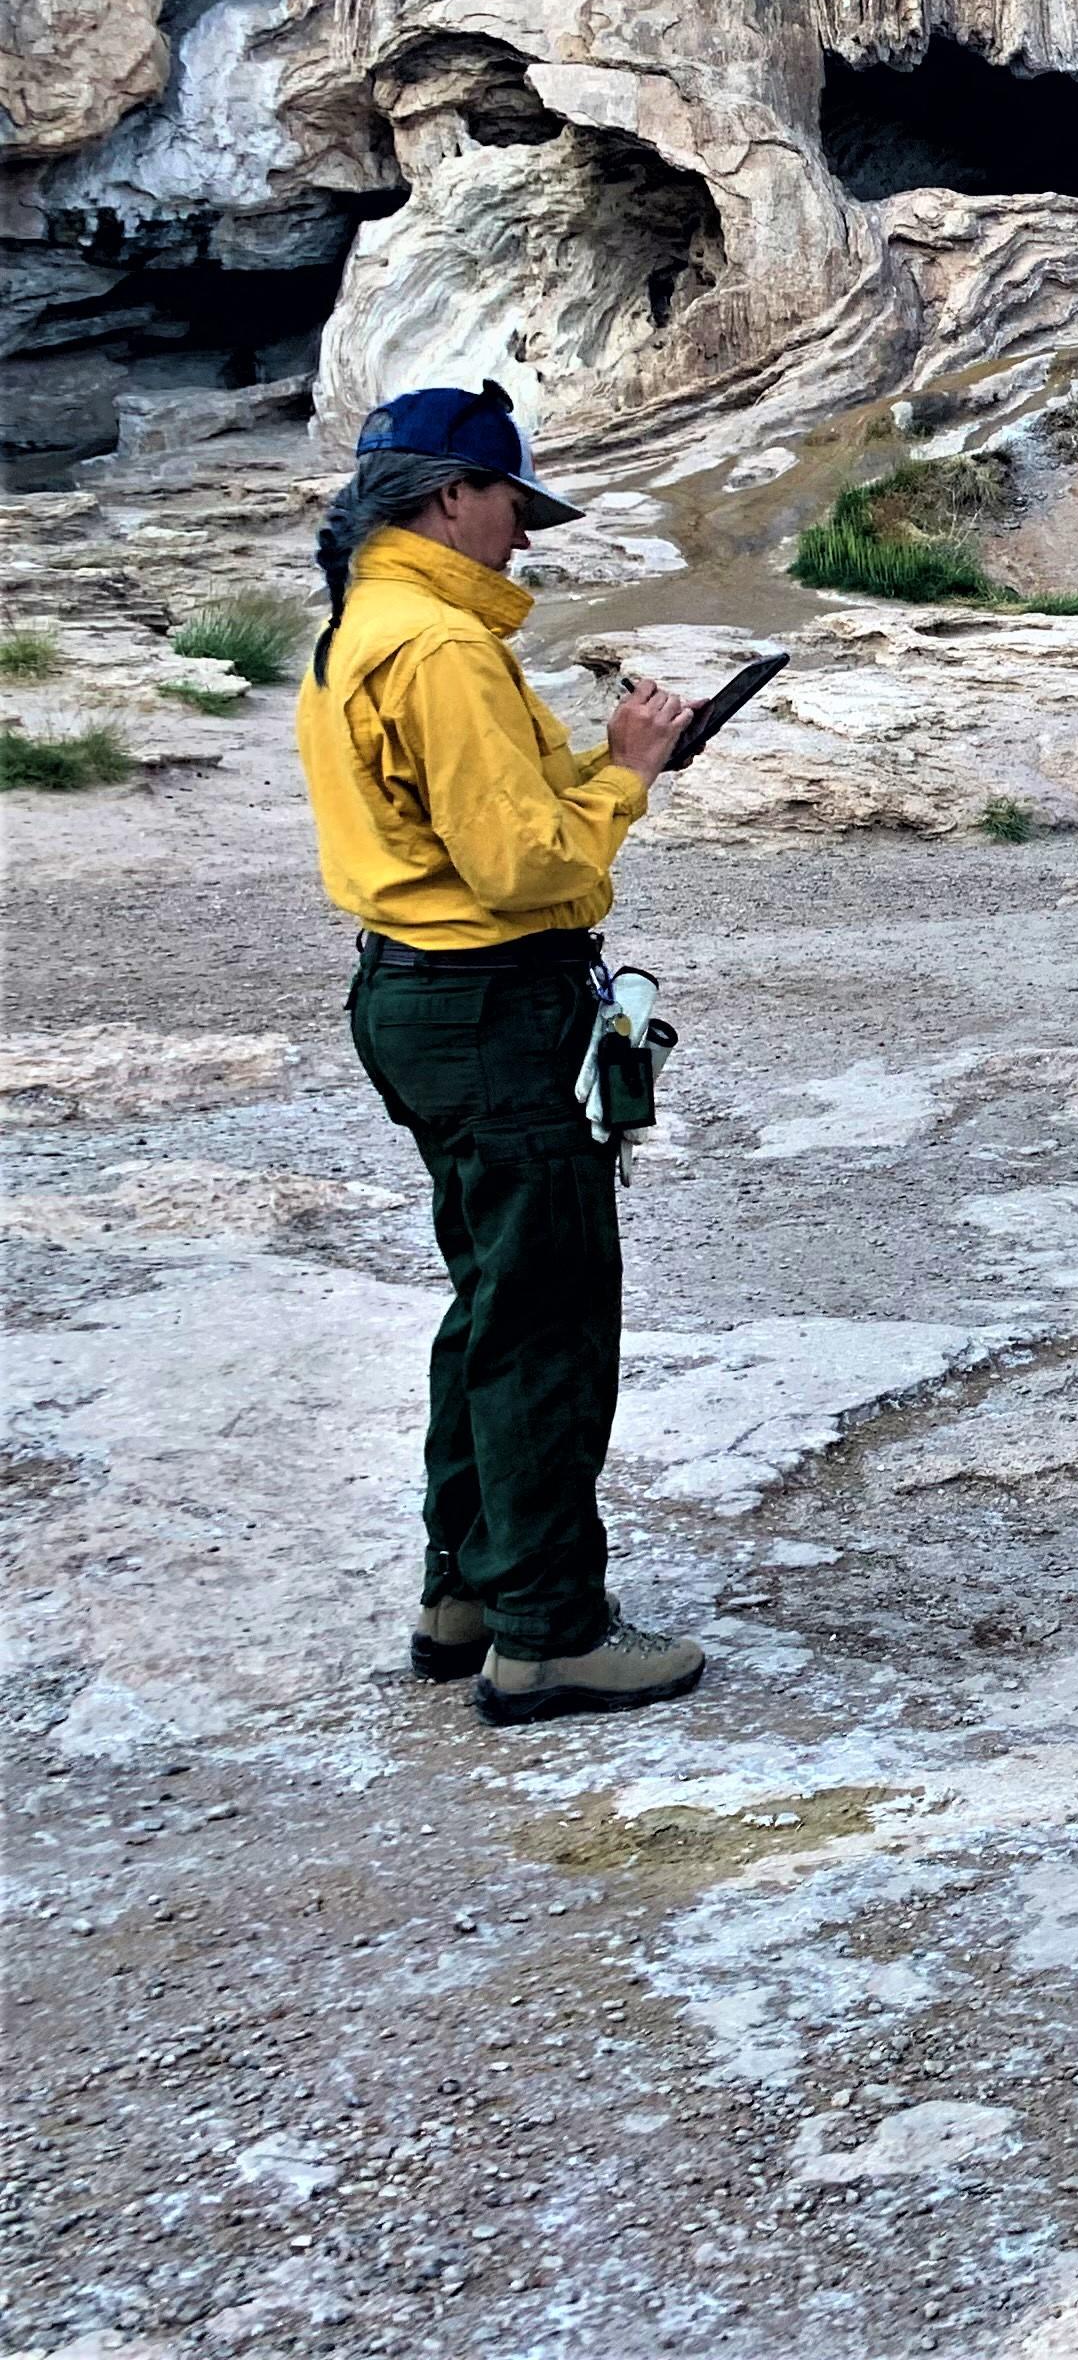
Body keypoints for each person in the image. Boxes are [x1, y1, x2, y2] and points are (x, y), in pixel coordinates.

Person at [295, 379, 709, 1726]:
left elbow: (501, 825)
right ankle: (547, 1634)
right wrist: (634, 776)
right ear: (449, 497)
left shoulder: (370, 620)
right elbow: (524, 864)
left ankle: (464, 1593)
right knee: (545, 1314)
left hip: (420, 994)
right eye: (511, 506)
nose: (522, 535)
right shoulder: (440, 648)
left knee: (490, 1295)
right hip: (492, 1002)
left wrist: (612, 767)